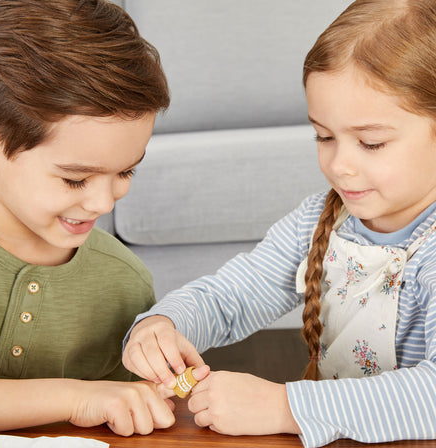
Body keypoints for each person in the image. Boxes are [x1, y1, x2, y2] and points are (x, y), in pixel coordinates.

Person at [122, 0, 436, 445]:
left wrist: (284, 406)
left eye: (370, 143)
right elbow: (231, 295)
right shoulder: (318, 220)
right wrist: (164, 325)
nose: (339, 165)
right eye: (323, 137)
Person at [0, 0, 211, 437]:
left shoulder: (122, 284)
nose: (104, 203)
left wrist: (149, 396)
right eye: (75, 179)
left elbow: (127, 413)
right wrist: (79, 397)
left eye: (126, 171)